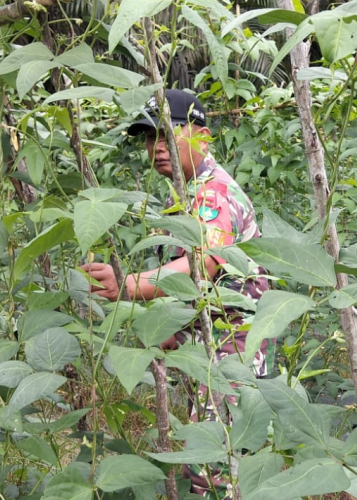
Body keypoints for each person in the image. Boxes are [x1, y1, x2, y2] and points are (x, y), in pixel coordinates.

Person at [83, 89, 270, 498]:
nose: (157, 148)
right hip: (204, 350)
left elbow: (205, 262)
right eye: (150, 139)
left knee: (215, 473)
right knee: (203, 463)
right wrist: (173, 330)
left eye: (167, 135)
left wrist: (127, 285)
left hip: (227, 356)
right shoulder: (184, 196)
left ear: (202, 137)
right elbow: (194, 283)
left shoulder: (213, 192)